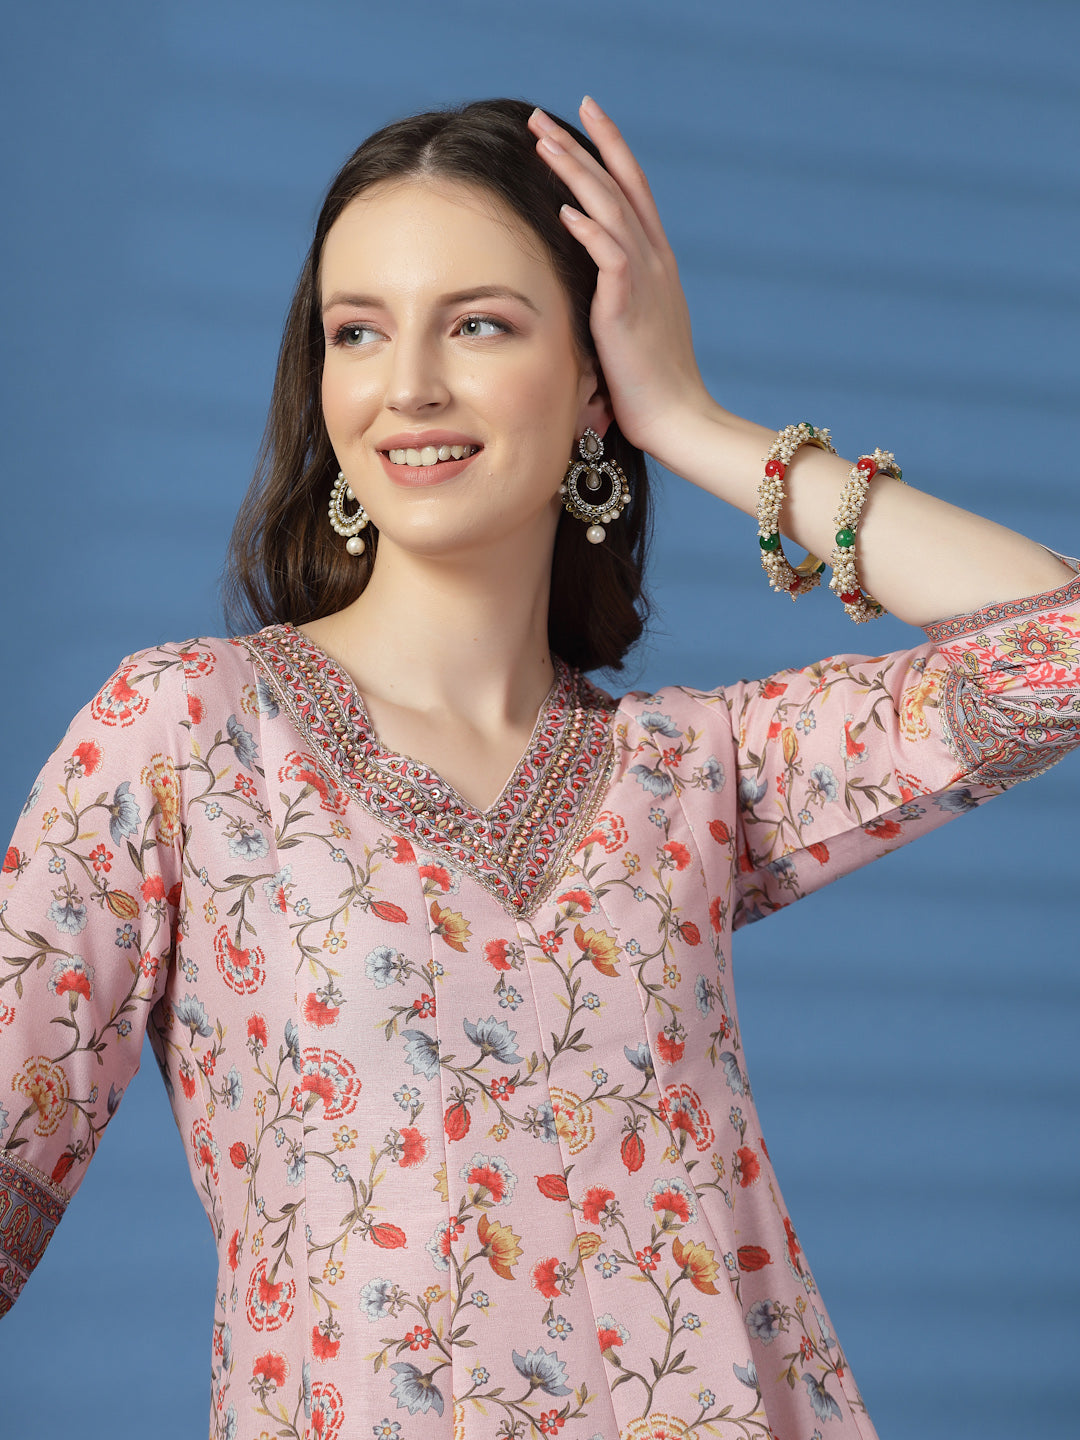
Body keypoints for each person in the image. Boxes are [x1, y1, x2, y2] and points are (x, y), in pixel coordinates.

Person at [1, 94, 1077, 1440]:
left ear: (590, 380)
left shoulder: (686, 772)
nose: (408, 386)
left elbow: (1055, 659)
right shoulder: (189, 736)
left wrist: (686, 417)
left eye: (480, 324)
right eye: (357, 331)